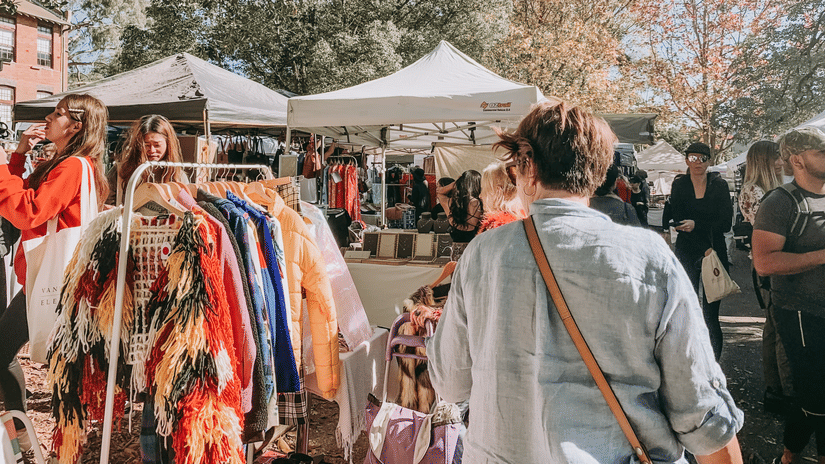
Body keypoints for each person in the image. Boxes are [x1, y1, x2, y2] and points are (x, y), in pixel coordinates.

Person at [427, 100, 743, 463]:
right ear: (597, 170)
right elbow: (700, 411)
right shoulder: (648, 257)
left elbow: (451, 382)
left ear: (526, 166)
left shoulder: (482, 253)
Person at [0, 94, 109, 444]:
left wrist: (2, 167)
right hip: (62, 279)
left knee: (60, 368)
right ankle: (39, 439)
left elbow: (27, 211)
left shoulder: (72, 166)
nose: (48, 118)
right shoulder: (76, 164)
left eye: (57, 114)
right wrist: (17, 156)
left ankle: (37, 439)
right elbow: (25, 196)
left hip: (56, 280)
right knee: (63, 368)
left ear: (76, 125)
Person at [752, 126, 825, 464]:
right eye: (820, 152)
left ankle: (787, 456)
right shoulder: (781, 202)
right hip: (799, 312)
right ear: (797, 160)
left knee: (815, 399)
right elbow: (764, 262)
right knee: (816, 397)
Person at [737, 141, 790, 407]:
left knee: (772, 327)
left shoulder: (764, 189)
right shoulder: (755, 191)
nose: (782, 160)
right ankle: (781, 390)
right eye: (777, 157)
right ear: (765, 160)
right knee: (778, 327)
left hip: (767, 261)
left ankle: (775, 388)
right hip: (768, 263)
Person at [668, 142, 732, 361]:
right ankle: (690, 361)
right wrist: (701, 241)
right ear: (686, 160)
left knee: (711, 315)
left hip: (715, 252)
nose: (697, 163)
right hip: (688, 251)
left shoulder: (719, 185)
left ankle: (713, 364)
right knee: (686, 310)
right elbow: (676, 220)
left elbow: (725, 223)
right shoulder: (680, 185)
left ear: (709, 161)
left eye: (702, 158)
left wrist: (697, 224)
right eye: (692, 158)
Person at [107, 114, 187, 205]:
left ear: (168, 144)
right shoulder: (122, 171)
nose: (152, 150)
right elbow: (107, 205)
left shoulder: (178, 176)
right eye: (146, 145)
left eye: (157, 145)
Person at [436, 170, 483, 260]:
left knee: (457, 273)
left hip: (456, 253)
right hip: (475, 251)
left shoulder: (450, 202)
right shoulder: (480, 203)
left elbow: (440, 192)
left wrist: (457, 182)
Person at [477, 160, 524, 233]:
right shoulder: (526, 219)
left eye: (483, 189)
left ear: (497, 191)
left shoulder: (495, 227)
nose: (480, 196)